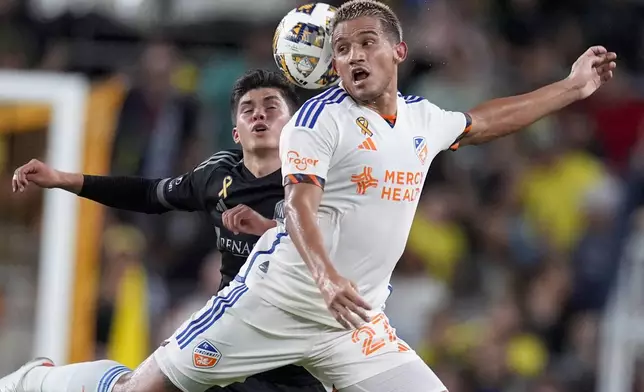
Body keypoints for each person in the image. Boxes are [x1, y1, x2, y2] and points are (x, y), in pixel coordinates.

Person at [0, 0, 617, 391]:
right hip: (275, 302)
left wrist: (569, 86)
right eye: (341, 48)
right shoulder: (318, 120)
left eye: (366, 42)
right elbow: (298, 204)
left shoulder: (424, 120)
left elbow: (483, 121)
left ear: (398, 51)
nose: (353, 56)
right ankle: (38, 382)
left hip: (352, 325)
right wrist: (324, 275)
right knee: (141, 391)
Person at [5, 69, 328, 392]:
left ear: (295, 127)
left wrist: (268, 227)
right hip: (231, 330)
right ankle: (40, 381)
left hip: (301, 340)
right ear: (236, 133)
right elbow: (149, 194)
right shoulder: (217, 176)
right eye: (248, 109)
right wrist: (64, 179)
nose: (259, 114)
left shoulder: (327, 181)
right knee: (133, 390)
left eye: (271, 107)